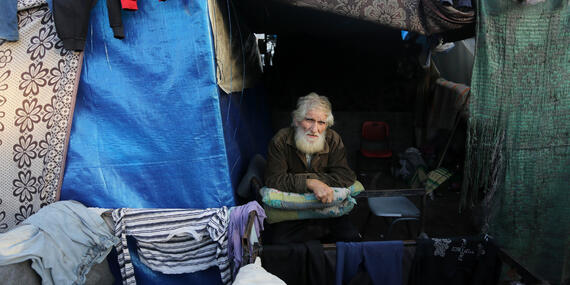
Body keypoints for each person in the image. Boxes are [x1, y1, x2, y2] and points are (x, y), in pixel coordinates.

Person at [263, 92, 360, 244]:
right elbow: (274, 179)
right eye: (309, 120)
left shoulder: (333, 139)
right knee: (278, 243)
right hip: (292, 212)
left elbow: (345, 176)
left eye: (321, 123)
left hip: (327, 211)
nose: (315, 129)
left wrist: (316, 182)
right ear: (296, 120)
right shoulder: (280, 140)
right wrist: (310, 183)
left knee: (351, 238)